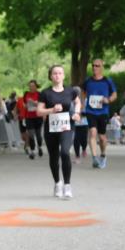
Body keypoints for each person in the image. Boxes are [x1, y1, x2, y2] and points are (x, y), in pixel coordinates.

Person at [35, 65, 81, 199]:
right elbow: (39, 111)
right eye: (54, 73)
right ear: (50, 76)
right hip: (51, 127)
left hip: (67, 126)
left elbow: (78, 103)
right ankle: (57, 183)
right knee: (54, 157)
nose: (57, 76)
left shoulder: (70, 91)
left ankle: (67, 185)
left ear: (63, 76)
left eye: (60, 73)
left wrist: (77, 113)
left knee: (65, 152)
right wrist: (51, 110)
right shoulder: (45, 93)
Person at [80, 58, 117, 169]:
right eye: (93, 65)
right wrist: (82, 103)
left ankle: (103, 155)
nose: (94, 67)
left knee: (102, 137)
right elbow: (82, 92)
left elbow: (115, 94)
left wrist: (108, 100)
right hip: (91, 111)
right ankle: (94, 158)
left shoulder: (107, 81)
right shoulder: (88, 80)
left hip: (103, 111)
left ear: (102, 67)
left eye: (97, 66)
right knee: (92, 132)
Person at [22, 80, 43, 159]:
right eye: (30, 86)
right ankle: (33, 151)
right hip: (29, 117)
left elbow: (41, 104)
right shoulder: (26, 94)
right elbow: (24, 104)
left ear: (36, 86)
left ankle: (40, 147)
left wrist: (34, 103)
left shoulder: (39, 94)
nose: (31, 87)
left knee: (38, 135)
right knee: (31, 134)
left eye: (33, 86)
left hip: (38, 116)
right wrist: (27, 105)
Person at [72, 89, 90, 164]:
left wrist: (82, 113)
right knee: (76, 140)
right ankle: (77, 157)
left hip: (84, 123)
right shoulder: (71, 101)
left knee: (84, 139)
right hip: (74, 123)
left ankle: (84, 149)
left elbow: (89, 112)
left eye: (78, 93)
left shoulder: (86, 101)